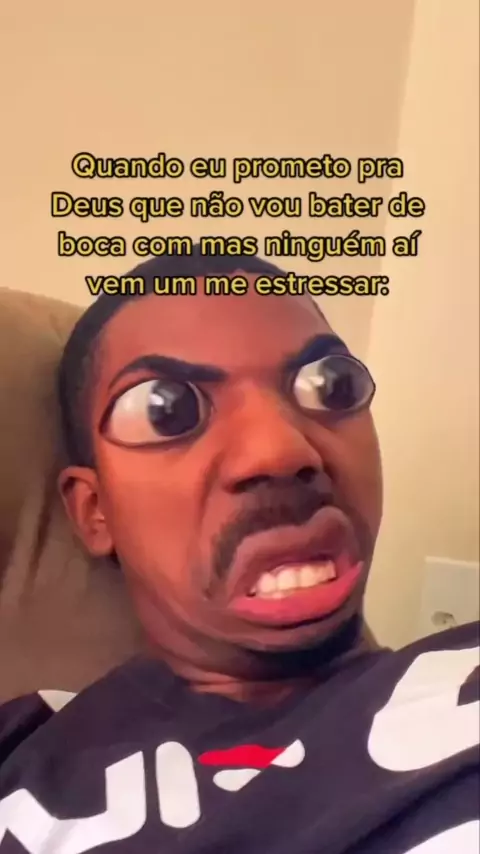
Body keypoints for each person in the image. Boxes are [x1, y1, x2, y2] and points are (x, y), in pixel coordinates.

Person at [0, 248, 478, 854]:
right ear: (95, 511)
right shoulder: (25, 748)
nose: (280, 450)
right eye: (166, 411)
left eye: (331, 386)